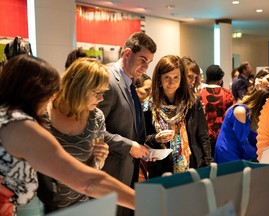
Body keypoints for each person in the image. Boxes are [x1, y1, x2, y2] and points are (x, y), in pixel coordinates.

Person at [0, 55, 135, 216]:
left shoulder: (6, 117)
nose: (52, 98)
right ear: (34, 92)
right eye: (49, 92)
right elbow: (87, 181)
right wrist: (145, 201)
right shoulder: (23, 127)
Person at [37, 58, 110, 213]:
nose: (101, 98)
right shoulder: (43, 112)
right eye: (98, 93)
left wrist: (99, 159)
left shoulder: (96, 117)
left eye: (104, 93)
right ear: (79, 88)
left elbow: (94, 168)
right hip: (41, 207)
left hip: (80, 206)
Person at [97, 31, 156, 216]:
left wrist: (143, 147)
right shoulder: (107, 81)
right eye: (143, 60)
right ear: (127, 53)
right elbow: (95, 131)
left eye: (149, 62)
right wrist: (129, 145)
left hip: (129, 169)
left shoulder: (130, 83)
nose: (146, 67)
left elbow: (132, 127)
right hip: (111, 170)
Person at [144, 54, 213, 178]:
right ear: (159, 79)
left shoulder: (192, 102)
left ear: (182, 79)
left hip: (192, 166)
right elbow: (142, 138)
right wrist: (156, 138)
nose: (172, 83)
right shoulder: (148, 105)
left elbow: (203, 136)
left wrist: (208, 164)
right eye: (167, 77)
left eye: (176, 77)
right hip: (161, 169)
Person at [214, 88, 269, 163]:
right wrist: (259, 153)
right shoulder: (241, 111)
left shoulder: (256, 116)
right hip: (228, 152)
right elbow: (242, 141)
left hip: (241, 153)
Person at [198, 65, 235, 155]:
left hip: (204, 138)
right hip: (223, 137)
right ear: (220, 80)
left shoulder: (199, 94)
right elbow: (232, 116)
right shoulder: (227, 94)